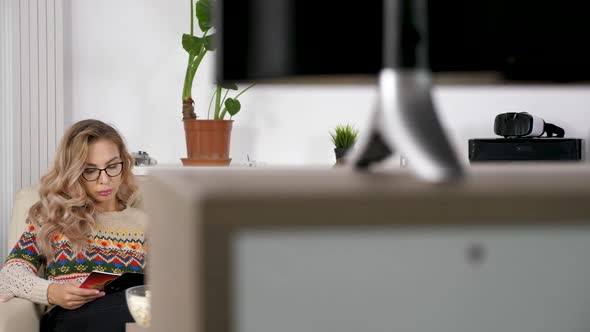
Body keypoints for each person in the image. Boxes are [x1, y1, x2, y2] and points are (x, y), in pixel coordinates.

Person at [0, 119, 147, 332]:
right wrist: (52, 292)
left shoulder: (144, 223)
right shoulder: (51, 216)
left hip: (127, 316)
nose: (104, 180)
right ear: (74, 171)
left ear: (123, 163)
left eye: (112, 166)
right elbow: (8, 276)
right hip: (70, 319)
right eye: (90, 170)